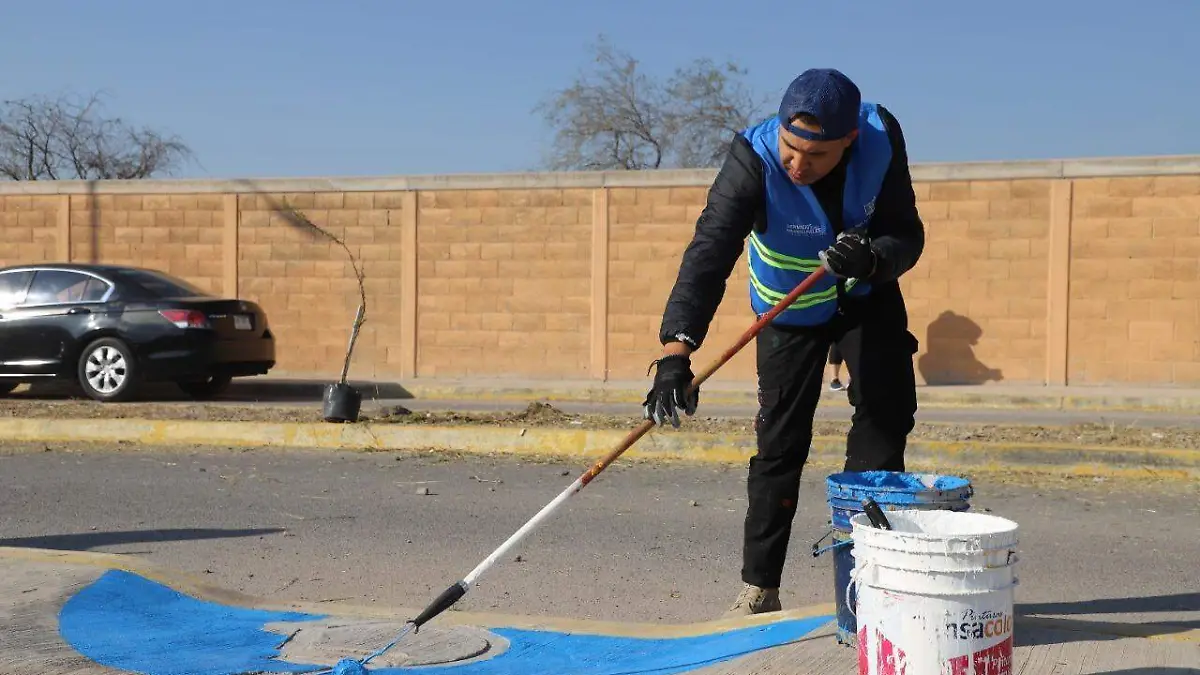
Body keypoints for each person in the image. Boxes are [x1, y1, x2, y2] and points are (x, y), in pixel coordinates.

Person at [641, 68, 925, 617]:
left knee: (886, 415)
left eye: (815, 156)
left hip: (865, 293)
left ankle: (867, 583)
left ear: (848, 141)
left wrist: (874, 257)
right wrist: (676, 351)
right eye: (791, 148)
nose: (798, 165)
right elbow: (708, 255)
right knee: (780, 441)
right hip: (788, 309)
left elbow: (906, 234)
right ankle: (759, 588)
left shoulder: (881, 137)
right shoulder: (753, 158)